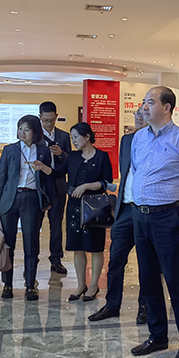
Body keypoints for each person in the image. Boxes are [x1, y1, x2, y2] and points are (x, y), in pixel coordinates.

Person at [130, 86, 179, 358]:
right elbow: (137, 171)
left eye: (150, 102)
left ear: (167, 107)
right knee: (148, 279)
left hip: (167, 216)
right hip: (140, 216)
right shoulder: (139, 138)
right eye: (144, 102)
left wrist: (175, 209)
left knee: (175, 280)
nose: (144, 107)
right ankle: (157, 335)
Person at [88, 105, 148, 324]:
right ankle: (112, 304)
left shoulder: (158, 141)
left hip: (146, 210)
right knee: (115, 260)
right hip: (125, 209)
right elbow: (126, 173)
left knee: (146, 262)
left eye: (143, 113)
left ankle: (145, 306)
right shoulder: (127, 140)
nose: (138, 117)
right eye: (136, 113)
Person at [0, 115, 52, 301]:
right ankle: (7, 284)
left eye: (26, 129)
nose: (22, 133)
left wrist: (47, 199)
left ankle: (30, 285)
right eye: (20, 129)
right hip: (10, 200)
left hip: (31, 199)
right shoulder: (10, 149)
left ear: (35, 131)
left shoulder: (43, 150)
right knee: (7, 244)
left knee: (31, 244)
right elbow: (1, 177)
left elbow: (48, 177)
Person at [62, 122, 113, 301]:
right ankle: (80, 285)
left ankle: (94, 285)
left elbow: (108, 181)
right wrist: (43, 167)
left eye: (76, 137)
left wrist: (86, 186)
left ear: (87, 137)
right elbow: (58, 173)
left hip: (94, 208)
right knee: (77, 247)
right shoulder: (73, 157)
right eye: (72, 138)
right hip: (74, 207)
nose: (74, 141)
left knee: (95, 247)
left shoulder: (102, 156)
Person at [39, 101, 72, 274]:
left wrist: (61, 154)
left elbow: (71, 161)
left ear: (56, 117)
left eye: (51, 120)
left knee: (57, 225)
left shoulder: (64, 136)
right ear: (40, 118)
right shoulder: (34, 136)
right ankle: (32, 259)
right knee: (34, 225)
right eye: (45, 120)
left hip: (58, 185)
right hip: (39, 186)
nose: (48, 123)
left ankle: (56, 259)